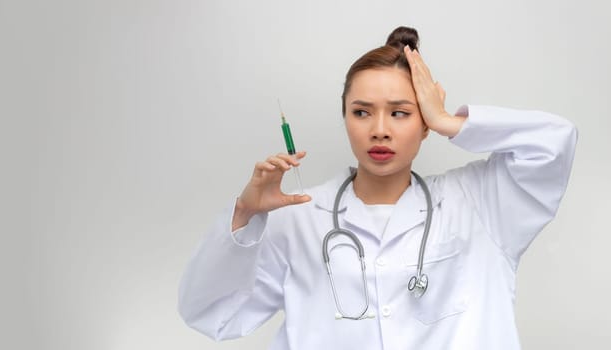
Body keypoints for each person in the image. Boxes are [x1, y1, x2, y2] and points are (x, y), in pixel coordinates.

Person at [178, 26, 578, 349]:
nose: (380, 130)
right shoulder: (298, 214)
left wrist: (447, 121)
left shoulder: (479, 202)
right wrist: (246, 216)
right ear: (346, 118)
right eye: (362, 112)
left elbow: (554, 143)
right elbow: (212, 312)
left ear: (423, 124)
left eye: (401, 113)